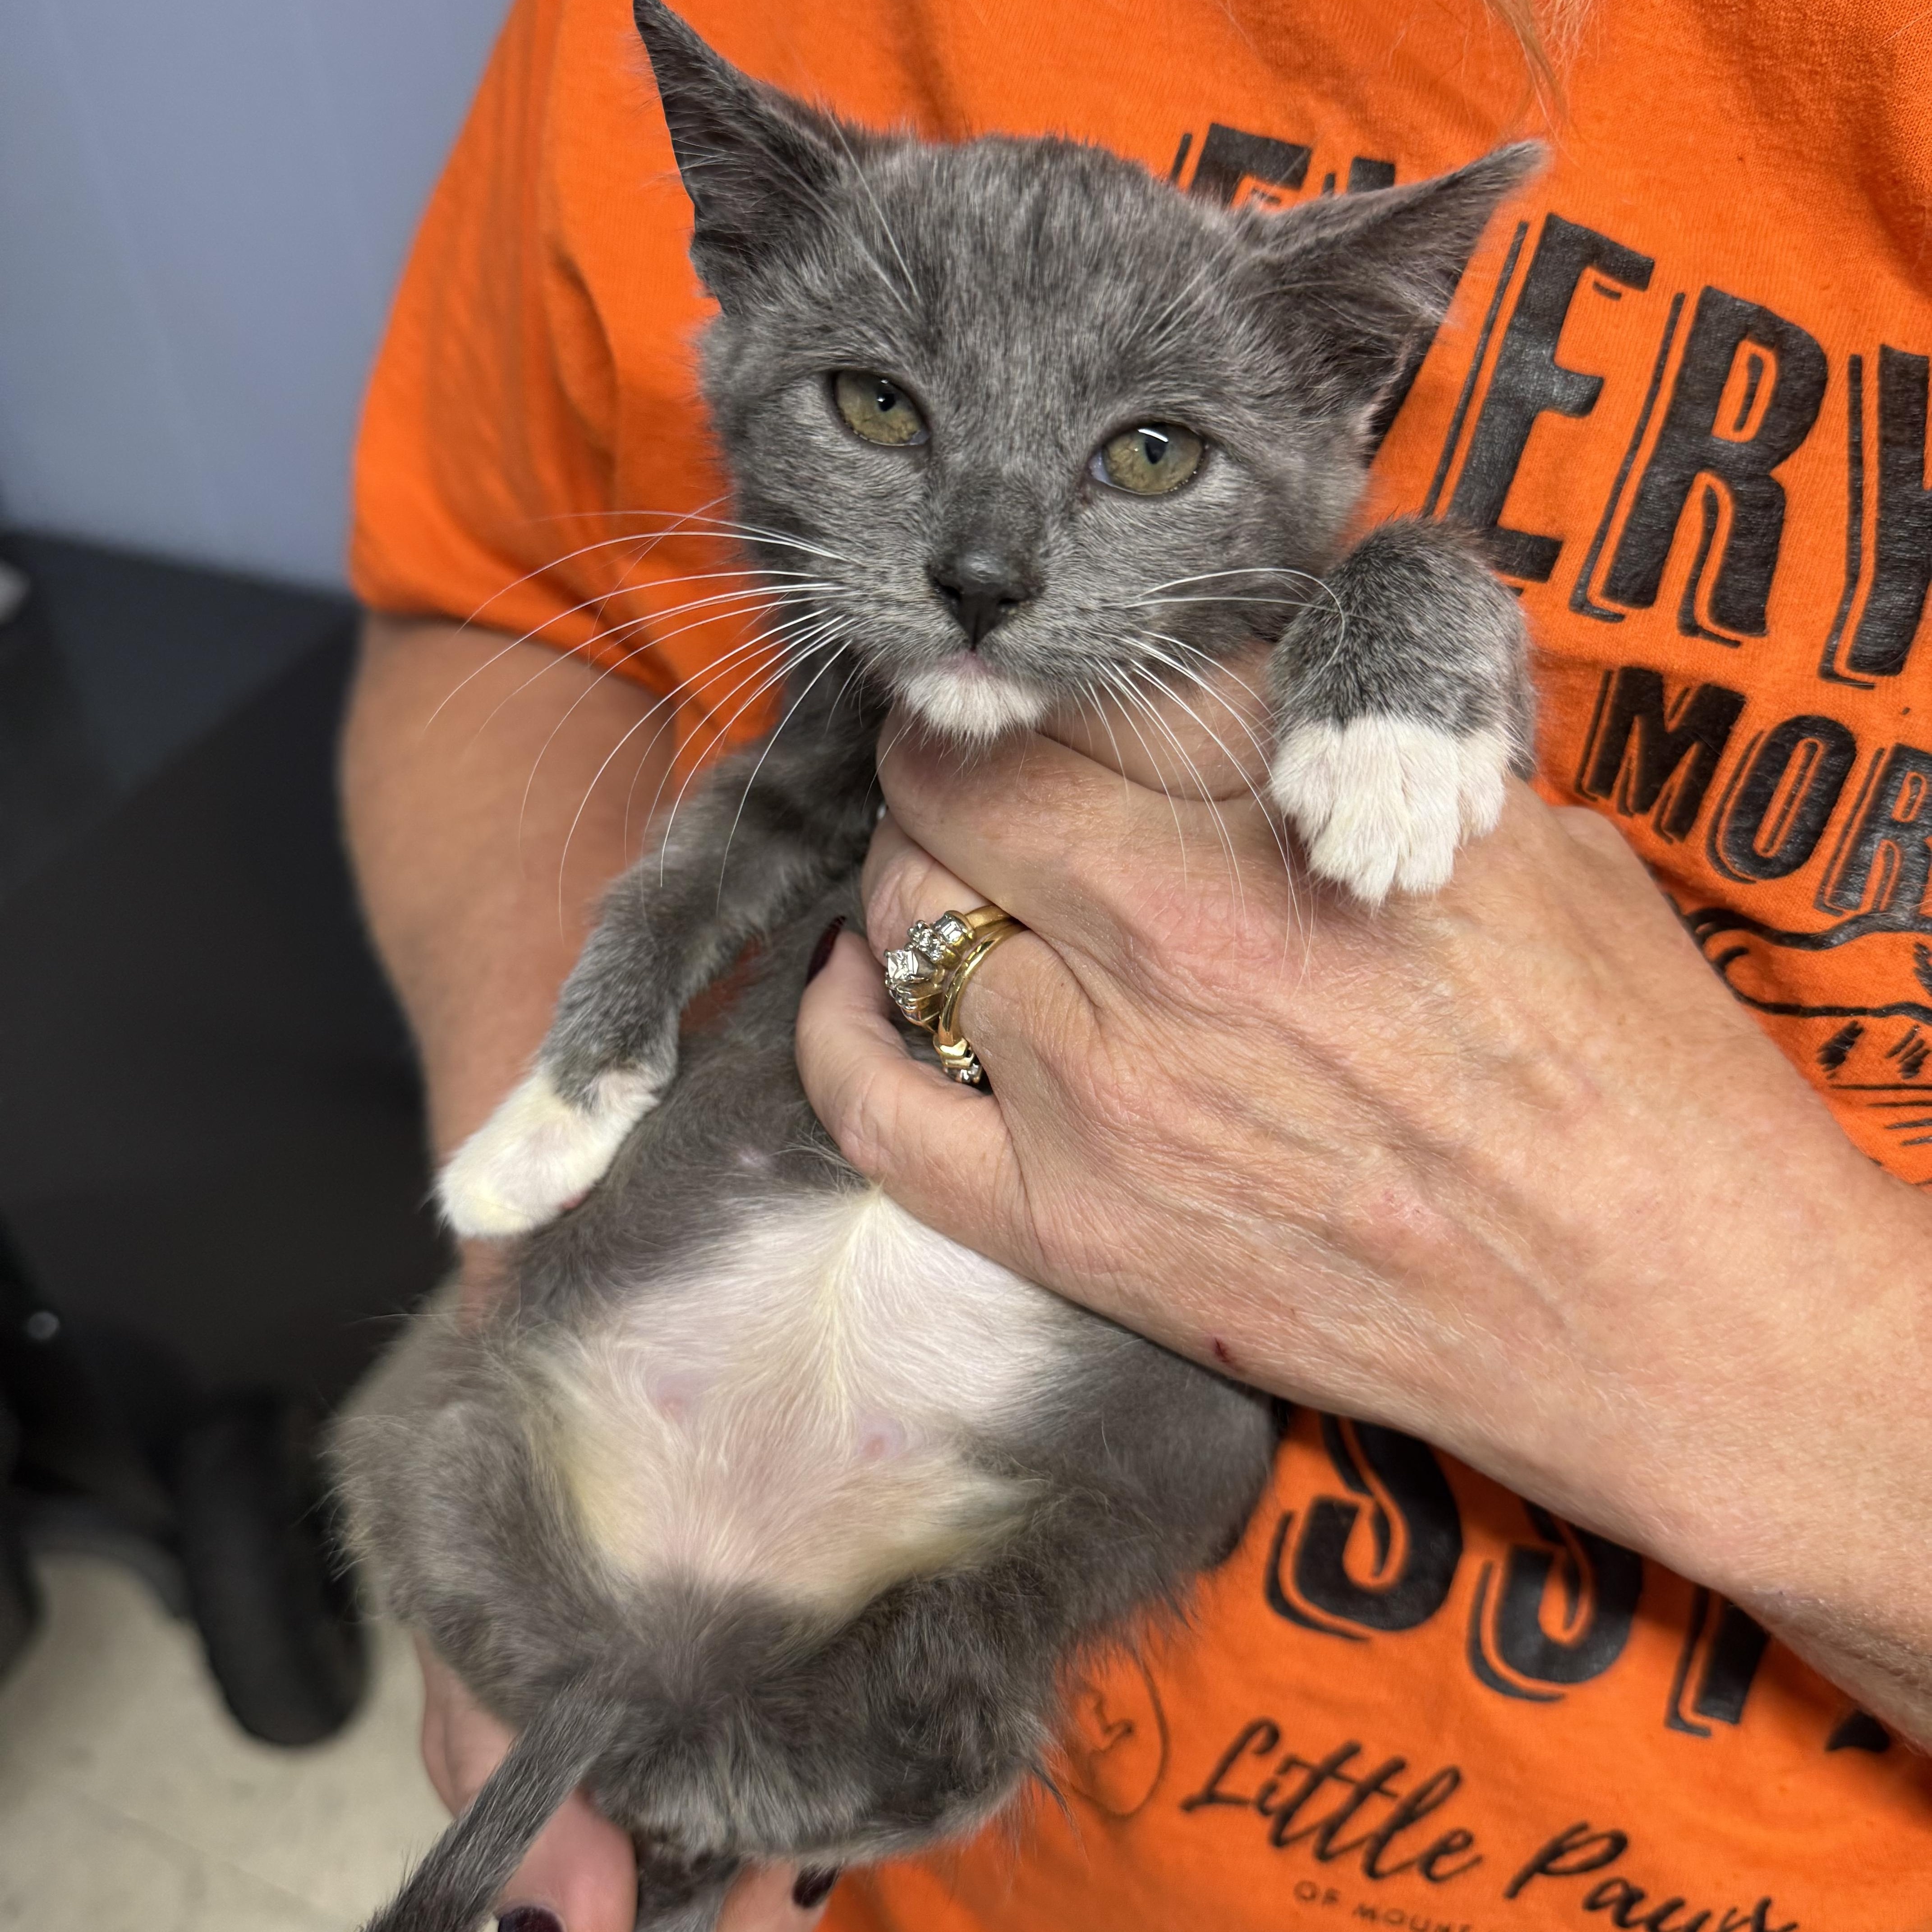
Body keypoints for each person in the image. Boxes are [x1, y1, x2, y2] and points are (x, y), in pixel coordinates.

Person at [340, 0, 1932, 1927]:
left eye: (1151, 451)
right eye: (878, 411)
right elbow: (510, 607)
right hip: (832, 1765)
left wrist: (1707, 1330)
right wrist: (574, 1363)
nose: (989, 567)